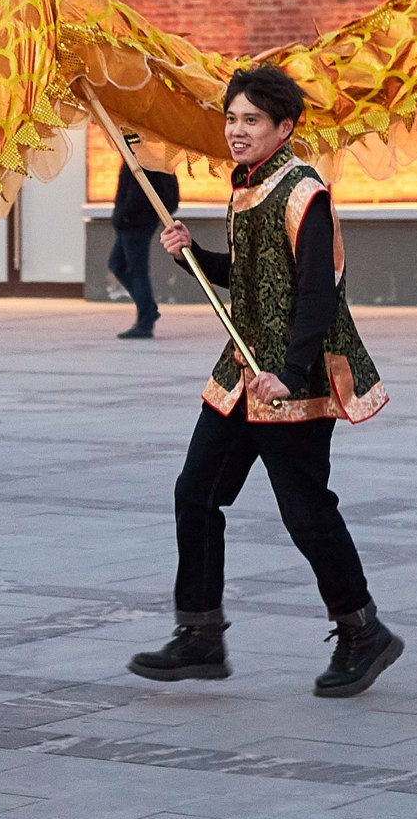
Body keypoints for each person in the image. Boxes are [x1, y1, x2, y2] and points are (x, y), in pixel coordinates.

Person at [136, 64, 400, 697]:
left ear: (285, 127)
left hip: (293, 379)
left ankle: (363, 630)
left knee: (305, 512)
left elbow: (318, 291)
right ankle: (200, 634)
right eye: (232, 118)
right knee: (196, 494)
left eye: (251, 120)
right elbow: (250, 274)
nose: (236, 130)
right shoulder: (247, 186)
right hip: (242, 372)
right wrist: (193, 255)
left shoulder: (305, 193)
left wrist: (289, 371)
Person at [109, 131, 180, 339]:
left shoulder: (145, 158)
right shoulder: (136, 154)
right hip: (128, 222)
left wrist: (127, 214)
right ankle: (148, 308)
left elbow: (138, 194)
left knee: (136, 271)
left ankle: (145, 321)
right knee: (118, 265)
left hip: (136, 223)